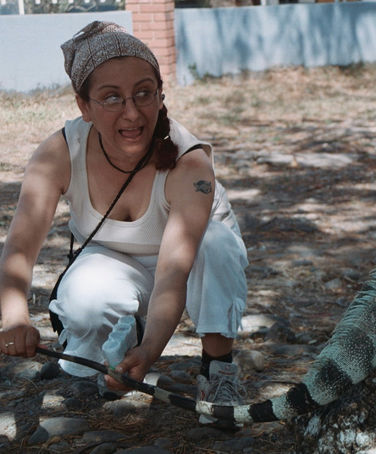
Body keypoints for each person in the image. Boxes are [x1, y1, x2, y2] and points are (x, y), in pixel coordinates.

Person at [0, 21, 248, 423]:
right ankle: (121, 339)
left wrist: (151, 353)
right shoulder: (60, 152)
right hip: (114, 262)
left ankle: (217, 370)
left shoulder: (189, 163)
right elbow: (20, 249)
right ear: (84, 105)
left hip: (189, 262)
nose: (132, 113)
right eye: (112, 98)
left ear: (160, 94)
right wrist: (14, 319)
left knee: (215, 243)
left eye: (143, 94)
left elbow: (173, 273)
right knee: (83, 303)